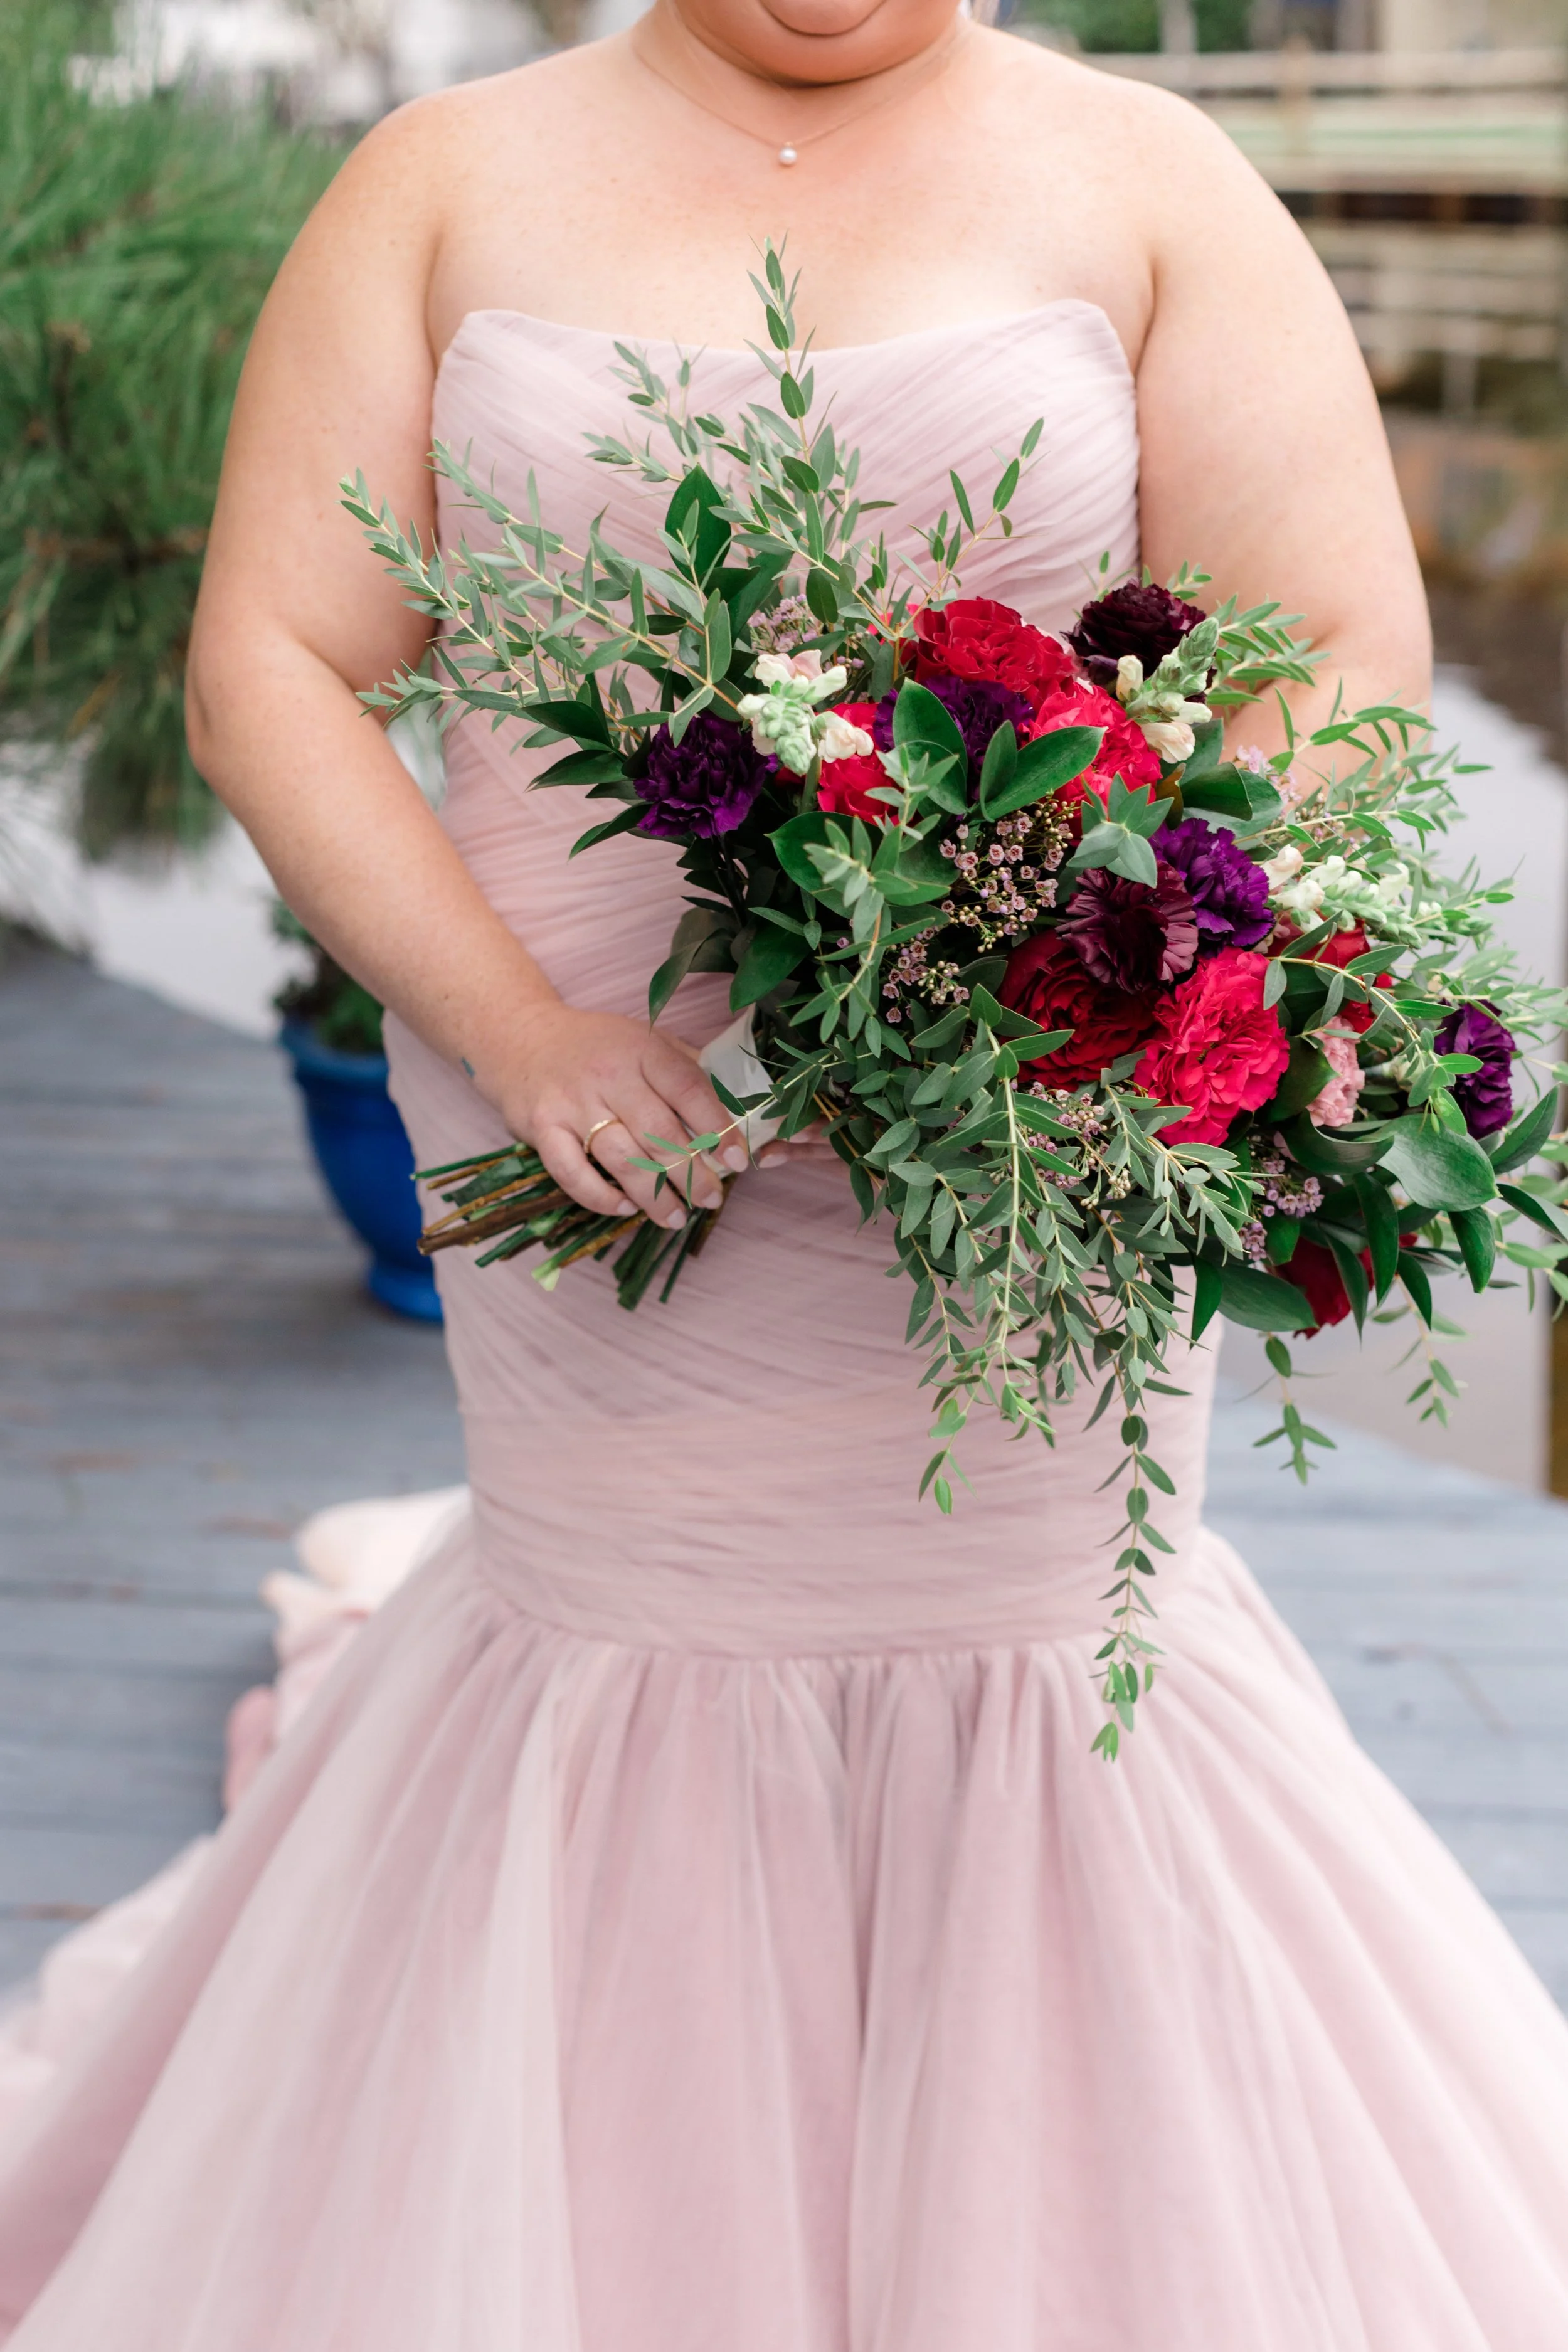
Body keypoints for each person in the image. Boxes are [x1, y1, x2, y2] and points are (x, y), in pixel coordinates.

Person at [3, 1, 1568, 2342]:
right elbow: (271, 671)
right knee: (630, 1634)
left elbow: (1335, 650)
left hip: (1031, 1141)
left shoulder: (1152, 181)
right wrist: (520, 1030)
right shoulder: (435, 183)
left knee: (1035, 1659)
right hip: (582, 1140)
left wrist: (1093, 960)